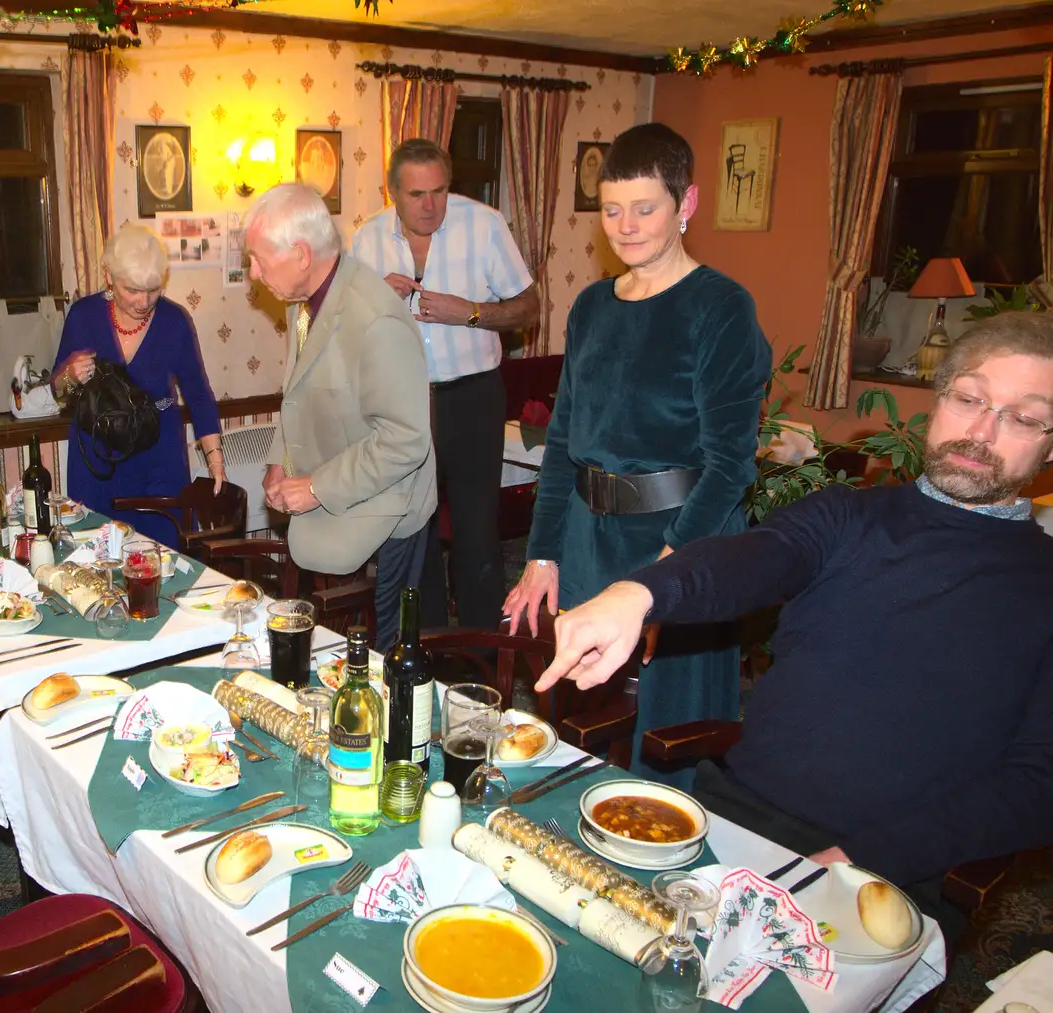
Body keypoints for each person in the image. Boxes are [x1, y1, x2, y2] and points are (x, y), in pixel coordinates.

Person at [531, 313, 1053, 939]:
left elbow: (1039, 782)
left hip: (888, 871)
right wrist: (638, 592)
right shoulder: (848, 516)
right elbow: (757, 558)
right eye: (969, 399)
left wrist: (871, 860)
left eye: (1022, 417)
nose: (982, 430)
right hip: (738, 816)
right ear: (940, 401)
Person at [503, 123, 770, 780]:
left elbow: (730, 465)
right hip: (591, 539)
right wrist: (543, 551)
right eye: (612, 208)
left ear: (687, 204)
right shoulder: (593, 305)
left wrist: (666, 576)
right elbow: (563, 442)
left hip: (684, 540)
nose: (625, 226)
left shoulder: (721, 307)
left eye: (645, 208)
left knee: (667, 748)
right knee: (573, 723)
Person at [352, 138, 540, 633]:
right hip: (402, 403)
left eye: (439, 191)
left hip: (472, 396)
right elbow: (342, 327)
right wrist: (376, 301)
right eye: (416, 195)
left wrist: (471, 312)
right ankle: (423, 648)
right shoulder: (366, 238)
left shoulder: (485, 225)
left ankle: (483, 656)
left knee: (478, 534)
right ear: (392, 192)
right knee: (414, 532)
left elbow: (528, 306)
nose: (430, 206)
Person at [249, 183, 437, 649]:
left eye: (259, 258)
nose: (253, 273)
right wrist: (282, 457)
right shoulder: (305, 301)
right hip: (342, 507)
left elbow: (405, 442)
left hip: (389, 516)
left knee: (381, 661)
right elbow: (299, 392)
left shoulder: (375, 320)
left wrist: (313, 487)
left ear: (299, 253)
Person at [51, 225, 225, 548]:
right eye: (132, 290)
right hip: (97, 459)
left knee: (163, 555)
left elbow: (198, 393)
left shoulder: (175, 321)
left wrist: (215, 459)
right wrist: (70, 376)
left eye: (153, 289)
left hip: (158, 457)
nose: (144, 301)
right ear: (109, 278)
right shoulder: (83, 316)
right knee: (97, 555)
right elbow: (57, 389)